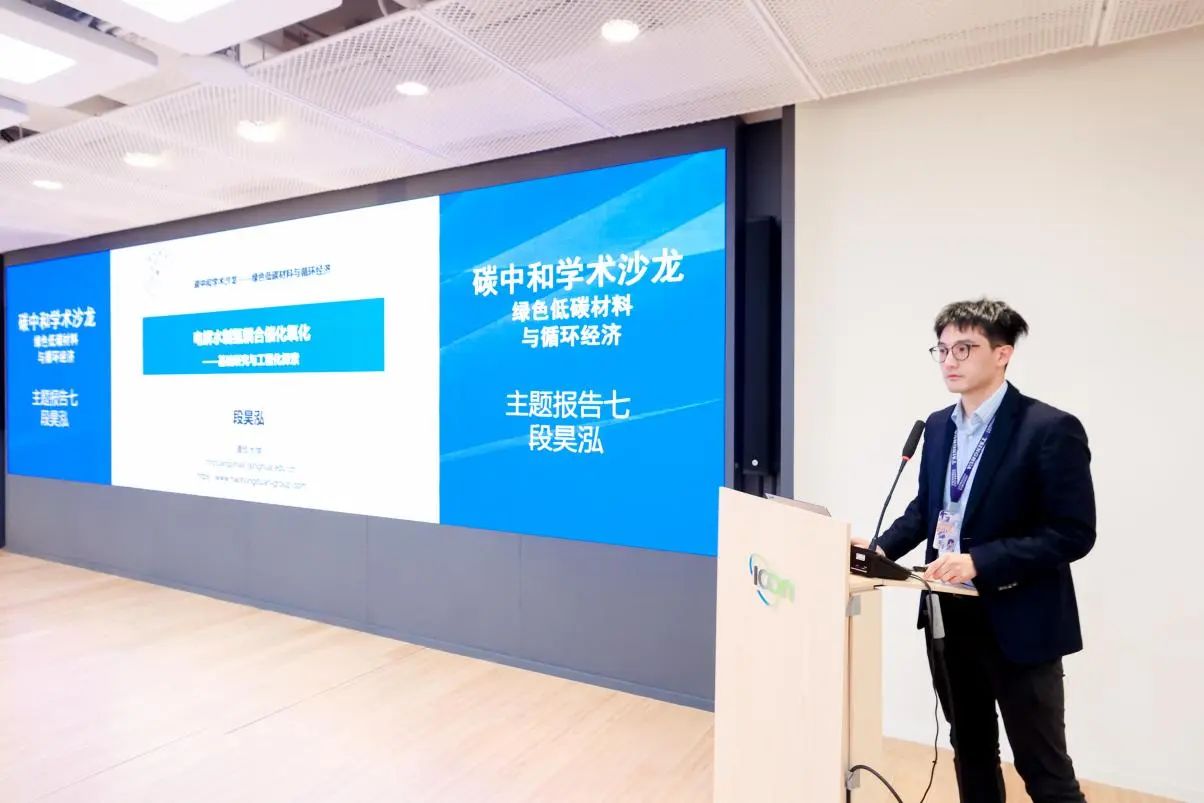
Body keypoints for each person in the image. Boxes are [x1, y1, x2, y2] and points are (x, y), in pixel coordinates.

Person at [857, 299, 1095, 802]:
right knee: (971, 750)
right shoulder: (939, 425)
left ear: (1003, 353)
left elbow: (1073, 532)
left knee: (1044, 768)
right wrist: (877, 549)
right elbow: (927, 510)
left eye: (964, 348)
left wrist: (980, 562)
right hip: (948, 615)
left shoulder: (1049, 428)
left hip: (1019, 619)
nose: (950, 360)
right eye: (942, 350)